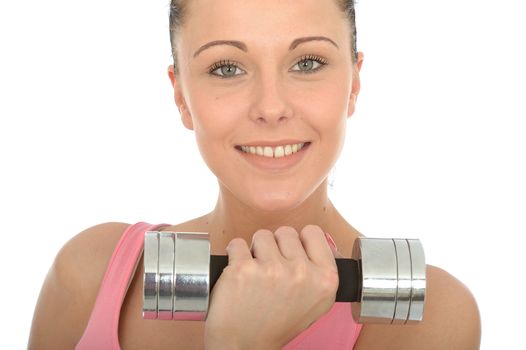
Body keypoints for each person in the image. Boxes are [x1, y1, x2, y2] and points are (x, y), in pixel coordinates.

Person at [28, 0, 481, 349]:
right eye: (226, 68)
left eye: (307, 63)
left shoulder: (431, 320)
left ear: (354, 85)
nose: (270, 107)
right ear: (181, 95)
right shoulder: (89, 274)